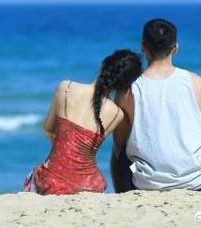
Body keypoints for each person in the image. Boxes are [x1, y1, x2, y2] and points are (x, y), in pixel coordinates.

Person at [111, 18, 201, 192]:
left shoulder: (127, 90)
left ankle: (122, 193)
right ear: (175, 48)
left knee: (119, 149)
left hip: (148, 183)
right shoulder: (198, 83)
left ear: (143, 46)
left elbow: (120, 141)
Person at [23, 50, 142, 195]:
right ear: (124, 86)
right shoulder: (117, 114)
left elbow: (47, 129)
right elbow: (119, 149)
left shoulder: (65, 88)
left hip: (51, 180)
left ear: (103, 64)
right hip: (87, 185)